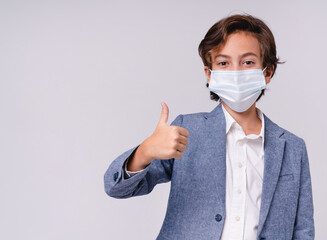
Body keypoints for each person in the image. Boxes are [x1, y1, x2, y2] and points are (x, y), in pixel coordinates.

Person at [104, 14, 314, 240]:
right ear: (209, 74)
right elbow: (115, 188)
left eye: (248, 62)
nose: (236, 72)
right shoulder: (187, 131)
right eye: (223, 63)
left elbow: (302, 230)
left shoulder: (292, 148)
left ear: (267, 72)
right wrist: (145, 151)